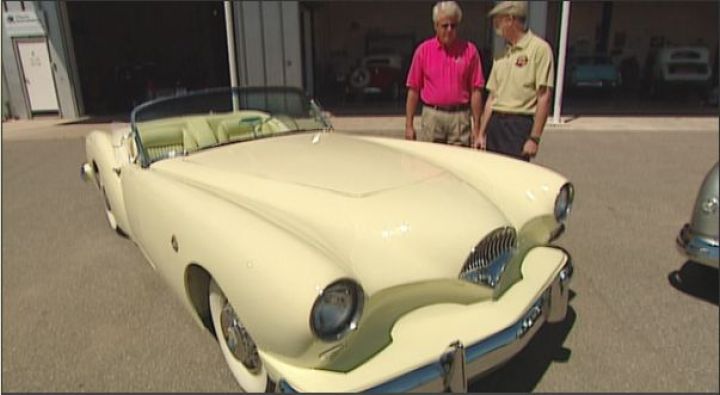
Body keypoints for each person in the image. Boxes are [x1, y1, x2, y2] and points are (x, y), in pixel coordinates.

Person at [475, 1, 555, 161]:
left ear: (510, 19)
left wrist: (534, 138)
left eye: (498, 21)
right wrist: (481, 133)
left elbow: (544, 96)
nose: (495, 26)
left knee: (514, 176)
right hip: (496, 124)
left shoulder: (539, 49)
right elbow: (492, 97)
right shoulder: (502, 54)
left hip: (518, 124)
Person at [405, 1, 485, 147]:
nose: (449, 30)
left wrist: (477, 128)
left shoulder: (470, 51)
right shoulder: (423, 51)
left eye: (453, 26)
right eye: (444, 26)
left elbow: (476, 91)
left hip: (459, 118)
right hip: (433, 117)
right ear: (435, 26)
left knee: (458, 163)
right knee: (431, 164)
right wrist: (409, 125)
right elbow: (413, 89)